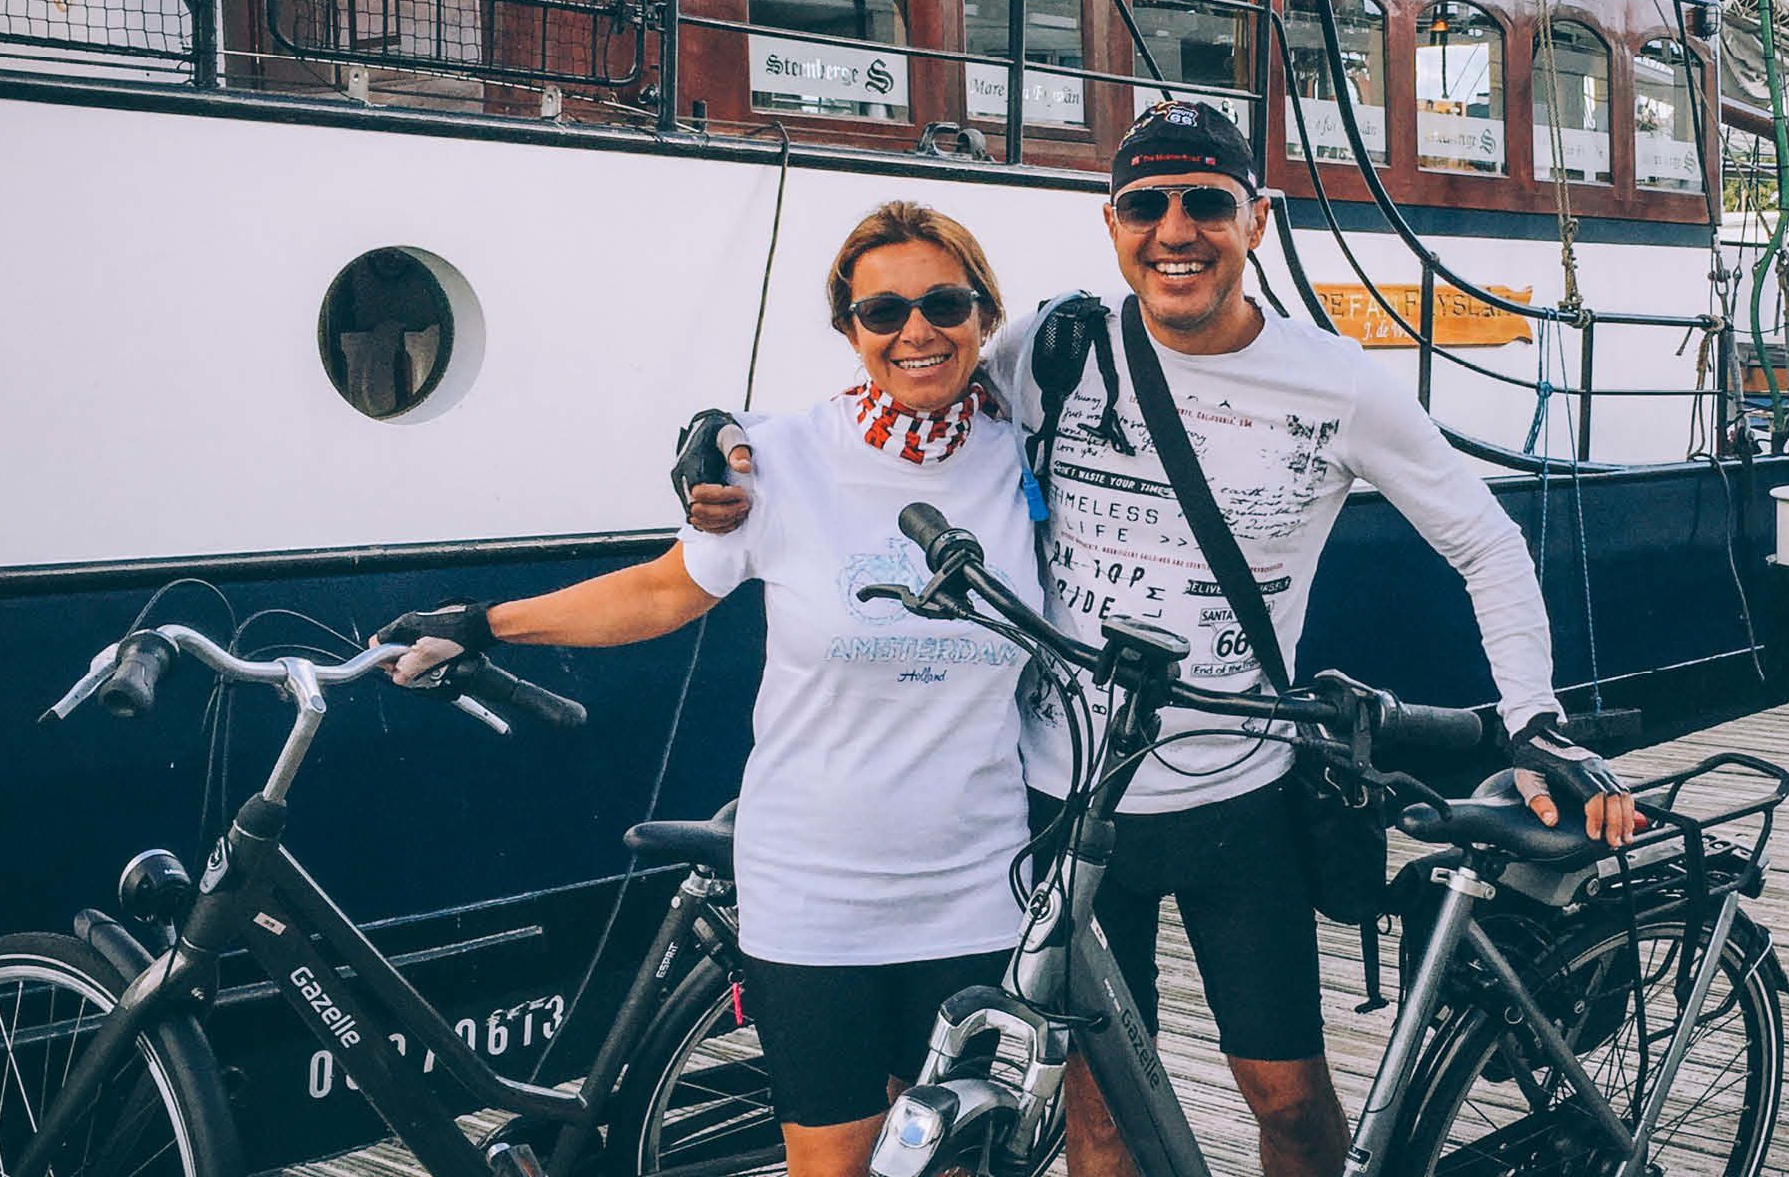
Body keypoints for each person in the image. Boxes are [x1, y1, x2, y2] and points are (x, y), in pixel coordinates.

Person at [688, 102, 1638, 1177]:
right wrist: (732, 443)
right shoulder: (1053, 346)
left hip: (1239, 797)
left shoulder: (1338, 385)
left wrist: (1534, 720)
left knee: (1288, 1100)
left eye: (1206, 203)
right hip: (1064, 801)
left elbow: (1486, 544)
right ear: (1113, 224)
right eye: (1145, 204)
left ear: (1256, 219)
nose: (1174, 229)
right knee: (1098, 1116)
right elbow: (906, 383)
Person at [375, 202, 1042, 1177]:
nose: (916, 330)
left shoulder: (1023, 451)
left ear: (984, 314)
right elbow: (660, 591)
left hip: (976, 889)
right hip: (813, 893)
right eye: (882, 311)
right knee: (835, 1164)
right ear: (848, 329)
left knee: (947, 1163)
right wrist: (484, 621)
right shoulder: (781, 459)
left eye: (944, 303)